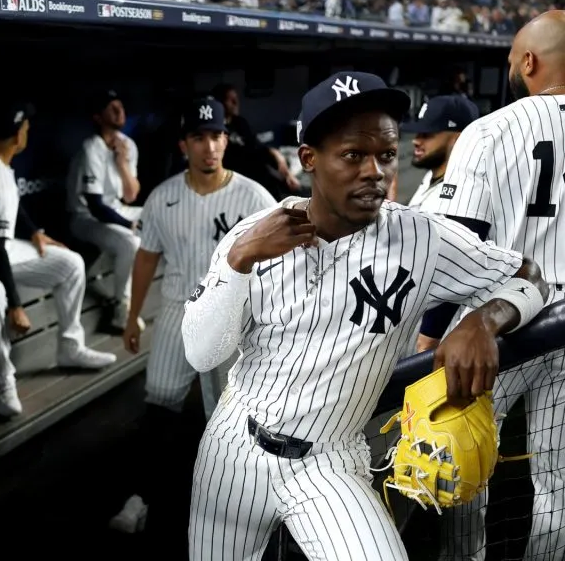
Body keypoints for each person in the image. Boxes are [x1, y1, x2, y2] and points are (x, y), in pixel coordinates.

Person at [183, 71, 549, 561]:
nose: (374, 170)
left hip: (331, 461)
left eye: (385, 154)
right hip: (234, 450)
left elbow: (528, 276)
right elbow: (202, 351)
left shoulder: (422, 238)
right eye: (353, 155)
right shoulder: (253, 235)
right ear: (309, 159)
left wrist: (483, 320)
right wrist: (239, 260)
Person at [418, 10, 565, 559]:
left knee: (464, 468)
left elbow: (454, 246)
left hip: (494, 330)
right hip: (563, 333)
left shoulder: (490, 129)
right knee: (560, 486)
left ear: (529, 62)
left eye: (510, 59)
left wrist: (429, 337)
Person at [109, 96, 276, 534]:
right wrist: (132, 317)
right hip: (177, 309)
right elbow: (146, 259)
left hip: (236, 315)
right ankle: (139, 498)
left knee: (233, 417)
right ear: (184, 143)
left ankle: (244, 509)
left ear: (226, 139)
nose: (209, 146)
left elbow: (282, 261)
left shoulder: (254, 195)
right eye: (198, 137)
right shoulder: (162, 197)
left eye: (216, 135)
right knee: (159, 404)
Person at [0, 101, 116, 417]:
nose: (28, 133)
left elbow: (9, 206)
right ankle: (1, 377)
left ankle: (70, 347)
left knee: (70, 263)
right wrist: (16, 305)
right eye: (25, 129)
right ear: (15, 136)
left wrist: (34, 232)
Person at [65, 89, 145, 332]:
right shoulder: (91, 148)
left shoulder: (127, 144)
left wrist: (121, 163)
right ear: (98, 117)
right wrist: (130, 225)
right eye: (112, 108)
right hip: (84, 218)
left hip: (116, 209)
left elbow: (131, 195)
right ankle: (122, 309)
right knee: (130, 242)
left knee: (163, 216)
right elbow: (96, 206)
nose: (120, 111)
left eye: (121, 106)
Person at [211, 83, 302, 200]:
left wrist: (279, 159)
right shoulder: (216, 130)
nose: (236, 103)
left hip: (259, 169)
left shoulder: (240, 122)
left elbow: (258, 146)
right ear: (220, 102)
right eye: (230, 99)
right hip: (240, 177)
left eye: (236, 99)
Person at [403, 94, 480, 210]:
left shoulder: (466, 193)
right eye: (418, 133)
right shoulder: (432, 175)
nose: (416, 141)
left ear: (459, 139)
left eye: (426, 134)